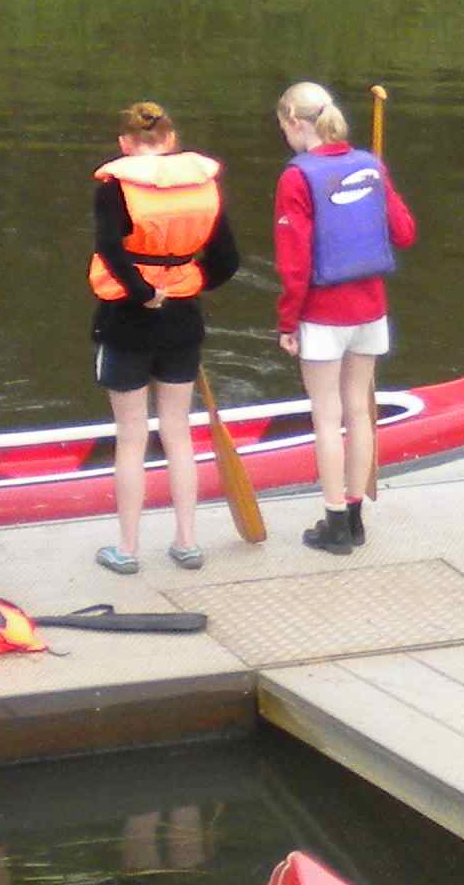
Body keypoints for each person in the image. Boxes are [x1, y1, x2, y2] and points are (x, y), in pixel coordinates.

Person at [91, 100, 243, 575]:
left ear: (125, 144)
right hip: (182, 319)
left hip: (125, 320)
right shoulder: (203, 184)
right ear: (172, 140)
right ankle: (187, 542)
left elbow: (110, 249)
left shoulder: (115, 187)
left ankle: (128, 549)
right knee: (178, 432)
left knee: (131, 437)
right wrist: (185, 285)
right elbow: (227, 260)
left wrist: (142, 293)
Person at [273, 80, 415, 553]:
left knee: (326, 416)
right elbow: (405, 232)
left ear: (295, 122)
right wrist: (380, 187)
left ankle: (334, 523)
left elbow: (294, 263)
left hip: (322, 314)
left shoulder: (296, 177)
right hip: (371, 310)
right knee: (358, 412)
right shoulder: (370, 165)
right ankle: (355, 518)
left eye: (283, 127)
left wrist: (287, 322)